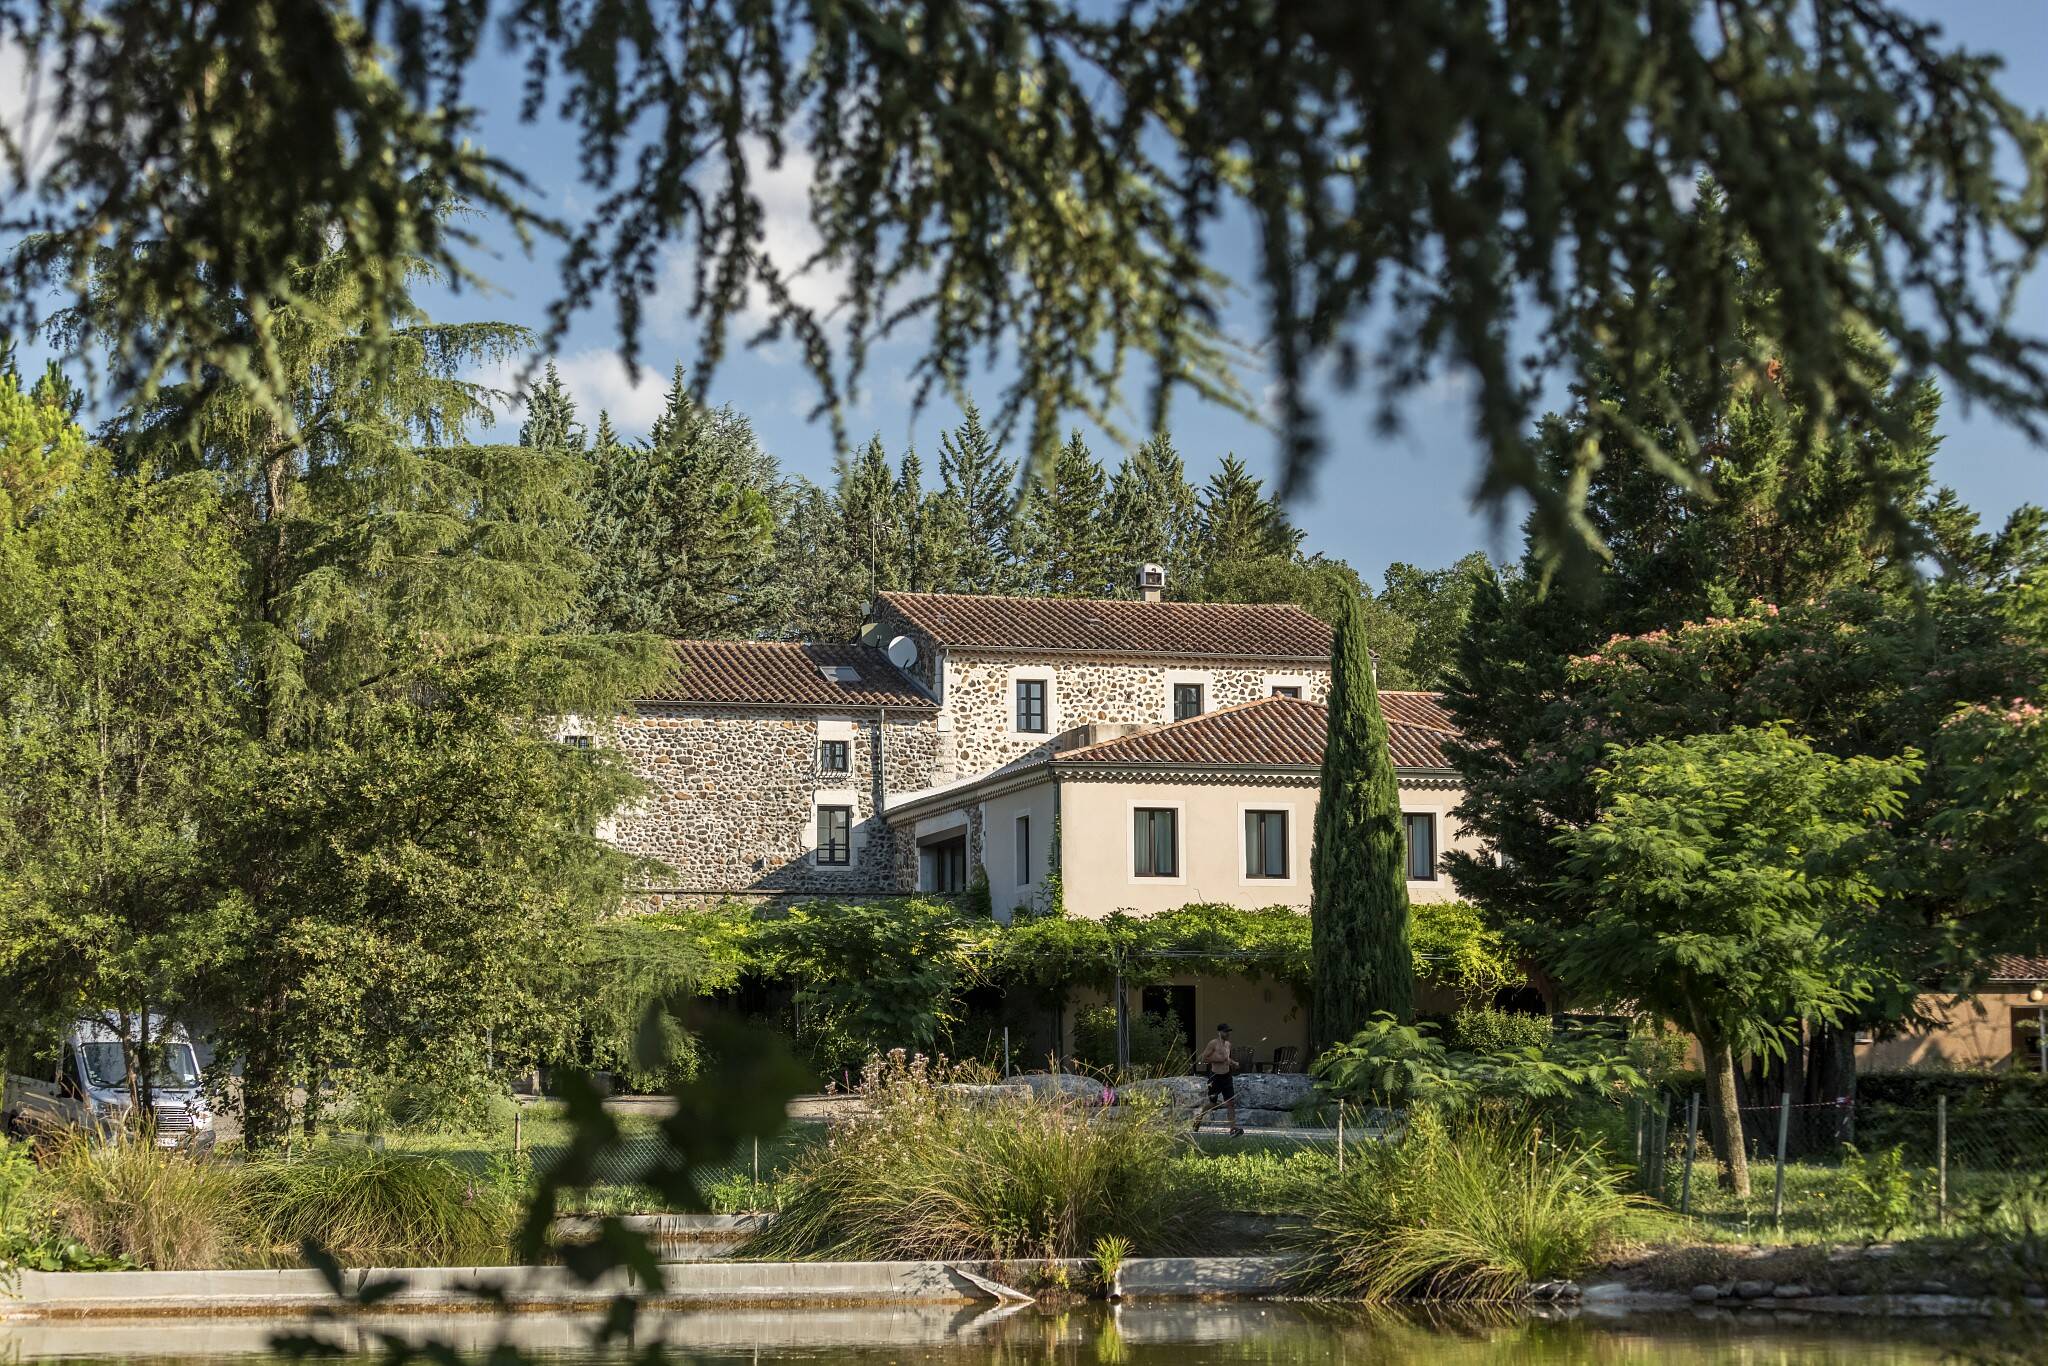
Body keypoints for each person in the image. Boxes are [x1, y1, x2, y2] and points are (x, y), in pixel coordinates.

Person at [1194, 1023, 1242, 1136]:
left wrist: (1234, 1063)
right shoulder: (1213, 1043)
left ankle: (1233, 1129)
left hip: (1227, 1077)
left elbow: (1226, 1059)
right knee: (1213, 1103)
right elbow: (1203, 1058)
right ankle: (1198, 1118)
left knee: (1231, 1103)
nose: (1227, 1034)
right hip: (1215, 1077)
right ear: (1219, 1032)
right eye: (1225, 1031)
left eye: (1228, 1031)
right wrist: (1218, 1059)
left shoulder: (1228, 1045)